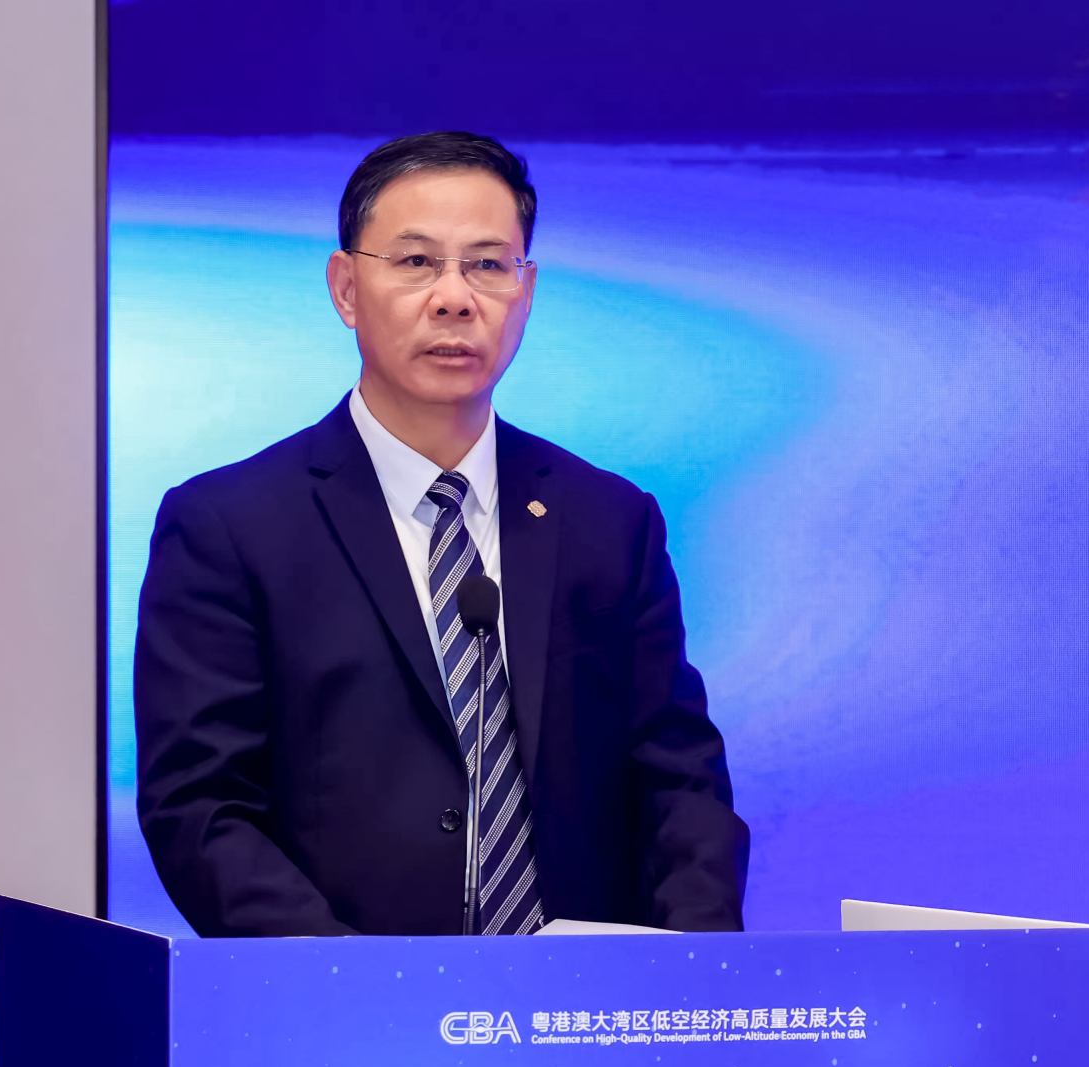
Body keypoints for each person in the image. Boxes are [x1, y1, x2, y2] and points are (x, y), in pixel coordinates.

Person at [135, 132, 748, 937]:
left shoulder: (610, 521)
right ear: (346, 288)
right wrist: (360, 983)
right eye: (417, 262)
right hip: (343, 999)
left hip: (581, 1001)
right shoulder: (230, 526)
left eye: (488, 265)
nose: (455, 298)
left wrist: (689, 976)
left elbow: (682, 786)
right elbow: (202, 809)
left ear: (526, 290)